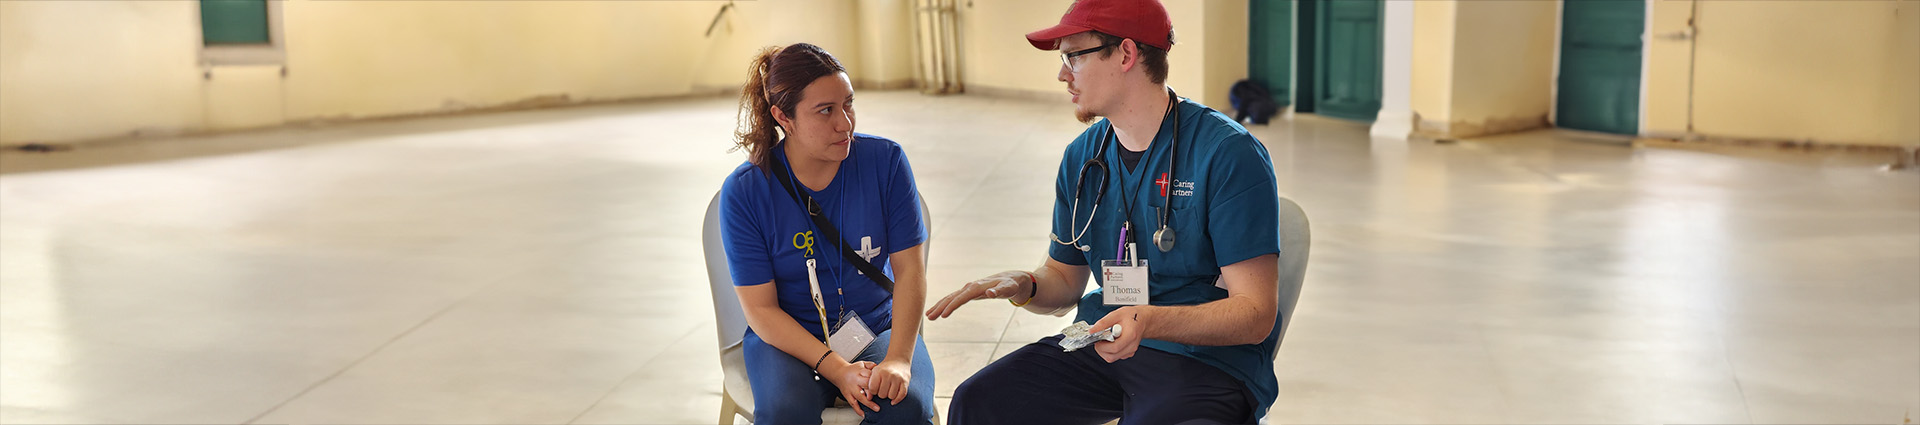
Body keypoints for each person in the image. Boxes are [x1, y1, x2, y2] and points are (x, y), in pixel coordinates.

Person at [926, 0, 1285, 423]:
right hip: (1105, 340)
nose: (1062, 74)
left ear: (1126, 54)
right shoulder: (1083, 156)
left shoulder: (1227, 153)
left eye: (1073, 57)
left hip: (1205, 361)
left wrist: (1146, 320)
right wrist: (1025, 284)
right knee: (979, 401)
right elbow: (1064, 280)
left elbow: (1254, 313)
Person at [720, 42, 936, 425]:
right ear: (783, 117)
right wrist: (838, 369)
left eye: (848, 104)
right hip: (787, 337)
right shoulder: (747, 191)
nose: (845, 123)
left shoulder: (885, 163)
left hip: (876, 326)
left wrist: (899, 358)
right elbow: (761, 309)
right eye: (825, 111)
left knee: (904, 404)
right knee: (786, 408)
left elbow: (910, 271)